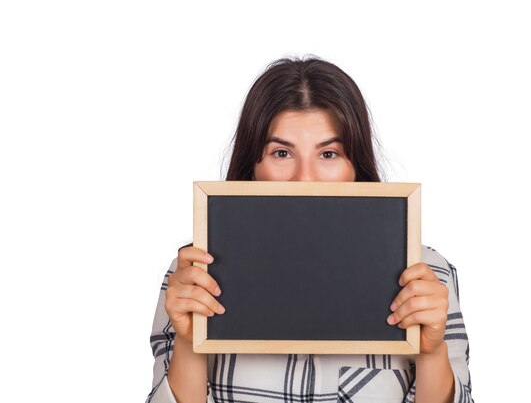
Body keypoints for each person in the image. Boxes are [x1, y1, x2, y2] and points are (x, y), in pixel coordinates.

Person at [147, 57, 474, 403]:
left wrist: (432, 351)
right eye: (282, 153)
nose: (305, 178)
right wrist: (188, 341)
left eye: (329, 154)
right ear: (252, 168)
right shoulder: (196, 274)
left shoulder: (425, 275)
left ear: (356, 167)